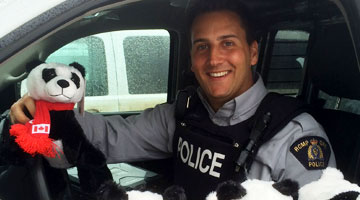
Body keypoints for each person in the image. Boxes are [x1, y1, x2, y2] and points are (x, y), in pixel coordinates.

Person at [8, 0, 335, 199]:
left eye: (228, 44)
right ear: (192, 59)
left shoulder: (295, 137)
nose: (214, 59)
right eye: (202, 46)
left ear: (252, 52)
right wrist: (46, 118)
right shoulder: (184, 113)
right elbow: (109, 137)